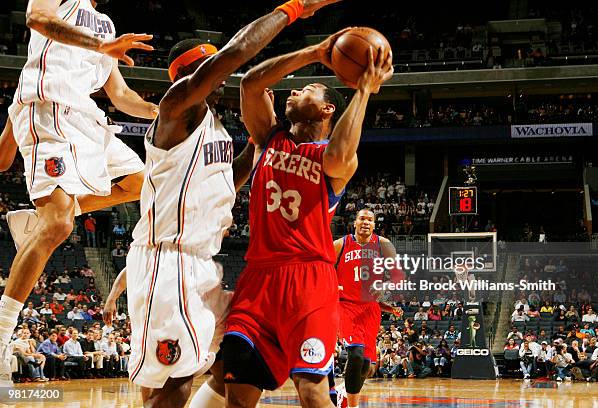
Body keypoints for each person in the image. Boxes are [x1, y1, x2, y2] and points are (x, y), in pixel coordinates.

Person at [124, 1, 342, 407]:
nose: (221, 79)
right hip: (170, 260)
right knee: (174, 380)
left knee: (227, 360)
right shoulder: (177, 109)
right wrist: (294, 10)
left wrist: (264, 141)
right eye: (212, 69)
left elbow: (230, 178)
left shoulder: (213, 129)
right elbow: (238, 56)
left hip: (202, 264)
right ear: (194, 74)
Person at [222, 20, 393, 406]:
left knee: (313, 392)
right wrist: (317, 52)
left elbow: (341, 152)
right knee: (238, 395)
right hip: (258, 280)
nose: (294, 89)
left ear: (327, 108)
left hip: (308, 282)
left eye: (307, 88)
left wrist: (364, 89)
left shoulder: (332, 161)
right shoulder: (270, 137)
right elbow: (249, 83)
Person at [0, 0, 158, 386]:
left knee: (141, 182)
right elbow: (38, 19)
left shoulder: (106, 23)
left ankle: (38, 220)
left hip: (85, 117)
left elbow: (120, 96)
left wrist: (165, 109)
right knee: (59, 227)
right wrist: (101, 46)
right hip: (50, 104)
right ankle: (1, 335)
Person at [333, 209, 403, 408]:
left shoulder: (383, 244)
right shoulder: (341, 244)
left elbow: (398, 275)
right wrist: (331, 284)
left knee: (367, 366)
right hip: (346, 305)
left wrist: (384, 289)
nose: (366, 222)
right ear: (354, 223)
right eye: (362, 219)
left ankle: (343, 392)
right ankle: (351, 405)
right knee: (355, 355)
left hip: (370, 309)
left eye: (370, 220)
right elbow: (320, 266)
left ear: (374, 225)